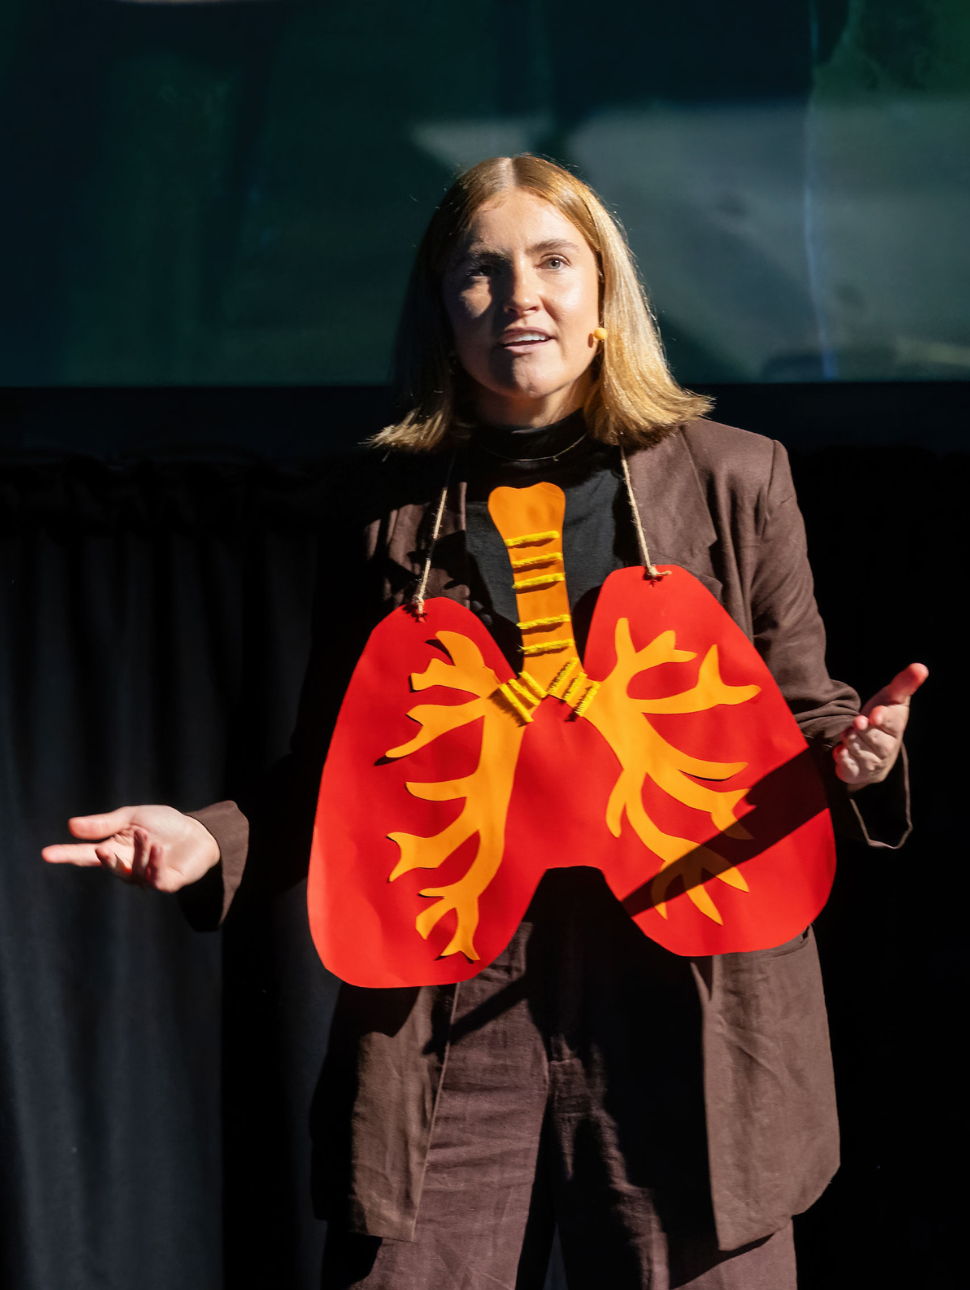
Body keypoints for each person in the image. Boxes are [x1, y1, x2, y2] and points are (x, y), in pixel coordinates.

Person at [44, 155, 926, 1289]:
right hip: (451, 981)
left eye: (553, 263)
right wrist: (209, 838)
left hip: (682, 972)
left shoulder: (734, 479)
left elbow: (805, 717)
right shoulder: (383, 512)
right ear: (441, 311)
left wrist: (857, 756)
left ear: (603, 296)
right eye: (481, 273)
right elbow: (345, 774)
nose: (520, 299)